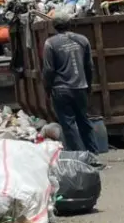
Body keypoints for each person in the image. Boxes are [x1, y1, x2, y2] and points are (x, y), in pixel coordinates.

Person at [42, 11, 100, 153]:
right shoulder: (83, 40)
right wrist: (89, 85)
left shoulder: (50, 43)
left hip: (61, 89)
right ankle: (93, 154)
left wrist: (47, 88)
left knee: (68, 124)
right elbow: (89, 66)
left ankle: (80, 157)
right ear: (70, 24)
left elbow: (48, 69)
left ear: (54, 26)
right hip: (80, 87)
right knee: (84, 121)